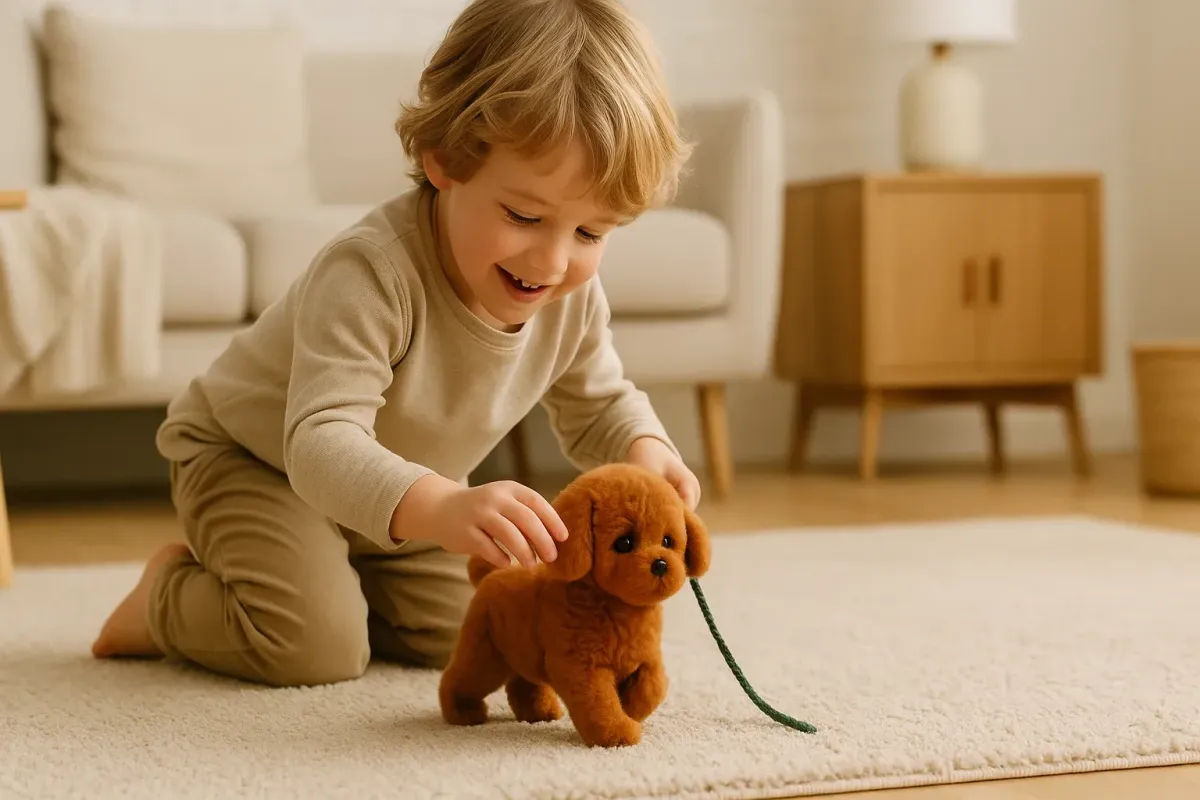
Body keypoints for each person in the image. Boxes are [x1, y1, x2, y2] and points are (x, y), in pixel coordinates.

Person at [90, 0, 699, 687]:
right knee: (312, 649)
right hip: (258, 463)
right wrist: (441, 507)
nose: (554, 261)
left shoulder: (571, 298)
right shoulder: (370, 273)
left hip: (396, 494)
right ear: (444, 160)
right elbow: (320, 443)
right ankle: (165, 599)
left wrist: (646, 450)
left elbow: (600, 405)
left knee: (485, 625)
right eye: (523, 215)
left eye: (591, 233)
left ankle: (336, 585)